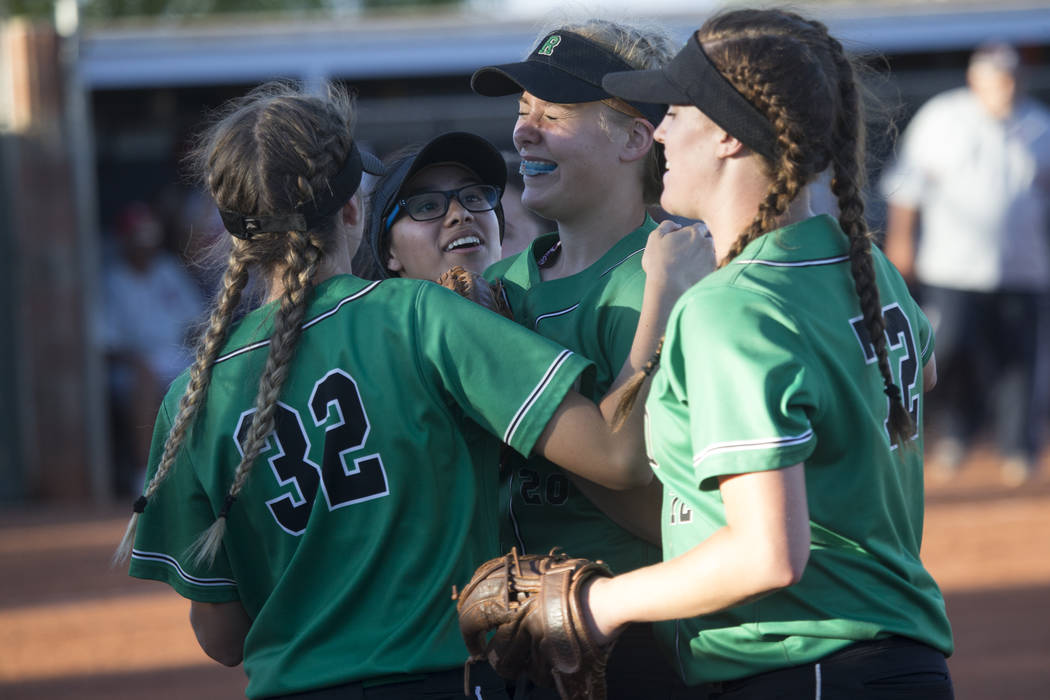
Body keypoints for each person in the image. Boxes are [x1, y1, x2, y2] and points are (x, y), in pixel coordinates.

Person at [115, 81, 699, 700]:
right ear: (352, 214)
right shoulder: (421, 317)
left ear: (238, 238)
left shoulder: (192, 393)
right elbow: (618, 455)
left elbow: (222, 639)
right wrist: (664, 295)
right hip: (437, 678)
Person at [571, 8, 955, 698]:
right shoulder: (859, 259)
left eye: (675, 111)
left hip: (798, 664)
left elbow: (768, 554)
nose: (658, 130)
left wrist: (599, 606)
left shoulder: (732, 307)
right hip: (896, 664)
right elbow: (919, 373)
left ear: (724, 135)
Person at [472, 18, 694, 699]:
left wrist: (523, 399)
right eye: (522, 111)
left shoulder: (674, 278)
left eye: (555, 114)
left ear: (636, 138)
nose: (523, 132)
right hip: (520, 643)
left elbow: (671, 518)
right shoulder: (502, 289)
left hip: (644, 651)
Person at [880, 43, 1050, 486]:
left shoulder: (1038, 124)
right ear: (976, 80)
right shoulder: (943, 118)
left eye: (1011, 77)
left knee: (1018, 359)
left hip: (1021, 269)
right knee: (949, 350)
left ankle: (1018, 448)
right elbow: (906, 187)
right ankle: (955, 435)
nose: (1005, 87)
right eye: (996, 78)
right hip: (952, 267)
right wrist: (902, 242)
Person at [101, 201, 205, 495]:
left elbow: (196, 320)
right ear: (125, 241)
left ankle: (198, 468)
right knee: (144, 379)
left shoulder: (167, 269)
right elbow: (106, 344)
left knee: (211, 373)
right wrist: (137, 362)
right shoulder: (113, 280)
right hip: (134, 365)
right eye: (139, 238)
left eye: (149, 237)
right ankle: (143, 473)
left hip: (176, 356)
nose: (146, 245)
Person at [355, 131, 507, 281]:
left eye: (472, 197)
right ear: (389, 253)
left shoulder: (530, 302)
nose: (460, 214)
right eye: (428, 206)